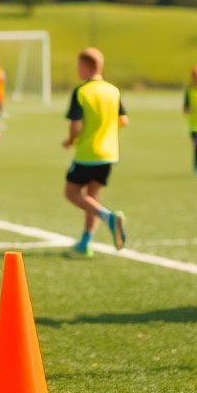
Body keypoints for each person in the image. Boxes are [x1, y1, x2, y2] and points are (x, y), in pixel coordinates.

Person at [63, 47, 128, 256]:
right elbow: (123, 120)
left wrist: (70, 141)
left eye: (79, 66)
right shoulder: (113, 90)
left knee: (71, 193)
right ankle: (85, 243)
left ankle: (109, 217)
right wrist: (105, 128)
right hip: (109, 153)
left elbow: (76, 126)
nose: (77, 70)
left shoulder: (82, 92)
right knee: (92, 198)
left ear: (86, 66)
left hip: (88, 153)